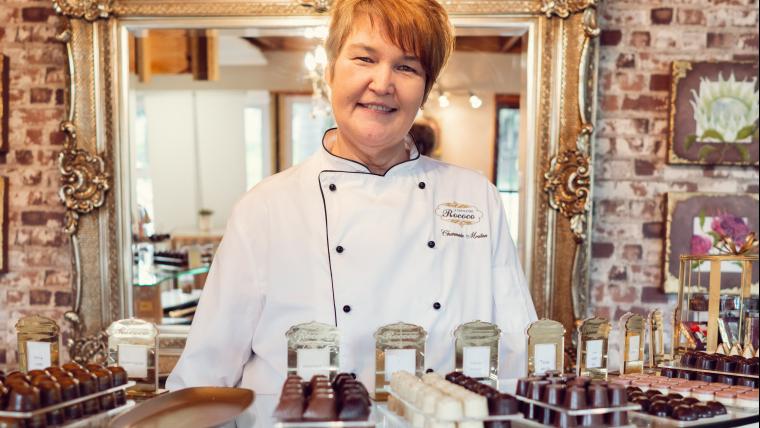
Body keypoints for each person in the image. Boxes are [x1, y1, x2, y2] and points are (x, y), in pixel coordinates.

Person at [167, 0, 537, 394]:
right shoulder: (266, 208)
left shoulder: (475, 197)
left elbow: (516, 350)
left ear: (424, 91)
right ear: (329, 71)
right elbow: (206, 374)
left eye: (407, 67)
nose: (382, 84)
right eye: (364, 58)